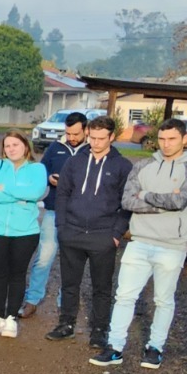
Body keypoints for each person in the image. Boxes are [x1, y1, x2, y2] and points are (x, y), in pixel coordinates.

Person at [97, 119, 187, 368]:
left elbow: (181, 201)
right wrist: (164, 203)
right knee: (124, 296)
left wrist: (145, 195)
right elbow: (127, 202)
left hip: (172, 245)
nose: (166, 145)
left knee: (163, 300)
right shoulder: (143, 165)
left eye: (172, 139)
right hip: (139, 242)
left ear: (184, 139)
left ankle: (155, 347)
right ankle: (115, 347)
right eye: (162, 139)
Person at [48, 114, 133, 349]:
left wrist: (116, 233)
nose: (95, 143)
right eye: (92, 137)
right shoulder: (75, 161)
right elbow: (63, 193)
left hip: (103, 236)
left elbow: (128, 203)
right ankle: (66, 325)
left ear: (112, 137)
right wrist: (61, 227)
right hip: (72, 233)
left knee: (102, 288)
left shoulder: (122, 166)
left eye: (100, 138)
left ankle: (99, 330)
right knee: (69, 284)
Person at [0, 131, 49, 338]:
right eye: (7, 145)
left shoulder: (37, 169)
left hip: (25, 232)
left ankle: (11, 318)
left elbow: (35, 193)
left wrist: (5, 188)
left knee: (18, 274)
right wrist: (19, 195)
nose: (11, 149)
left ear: (25, 146)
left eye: (15, 144)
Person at [21, 111, 87, 319]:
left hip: (80, 216)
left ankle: (65, 304)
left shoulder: (91, 151)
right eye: (68, 133)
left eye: (76, 133)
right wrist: (50, 178)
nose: (72, 137)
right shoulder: (55, 148)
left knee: (71, 261)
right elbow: (41, 173)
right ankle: (32, 299)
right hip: (54, 212)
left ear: (85, 130)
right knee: (44, 257)